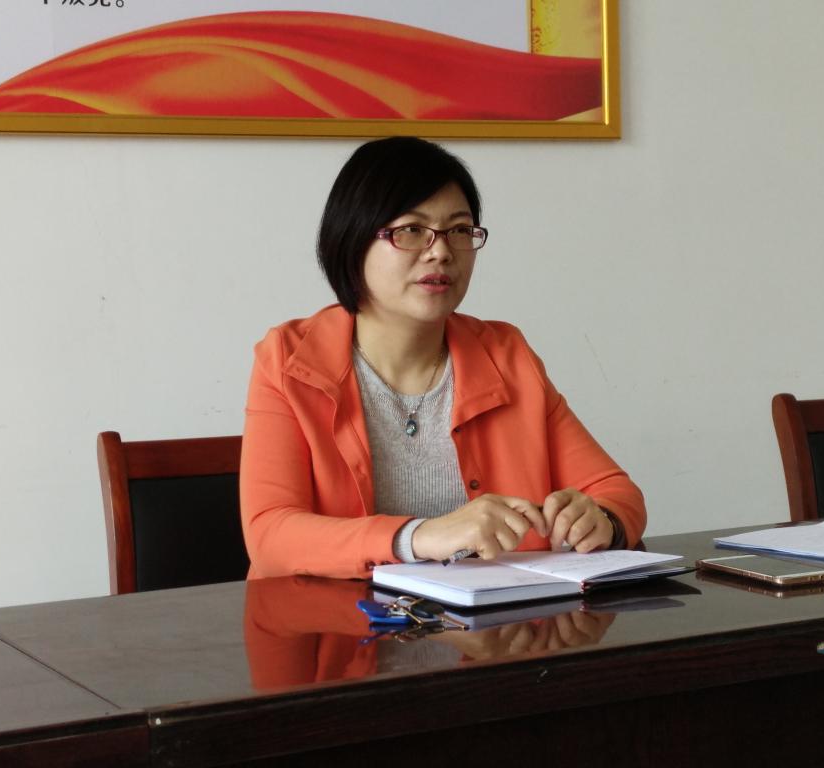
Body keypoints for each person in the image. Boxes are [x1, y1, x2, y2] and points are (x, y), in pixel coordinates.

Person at [240, 136, 645, 579]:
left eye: (459, 230)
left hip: (501, 618)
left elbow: (614, 490)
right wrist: (420, 537)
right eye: (411, 230)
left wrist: (601, 520)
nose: (441, 251)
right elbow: (270, 535)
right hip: (338, 621)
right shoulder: (289, 360)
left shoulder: (506, 354)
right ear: (353, 240)